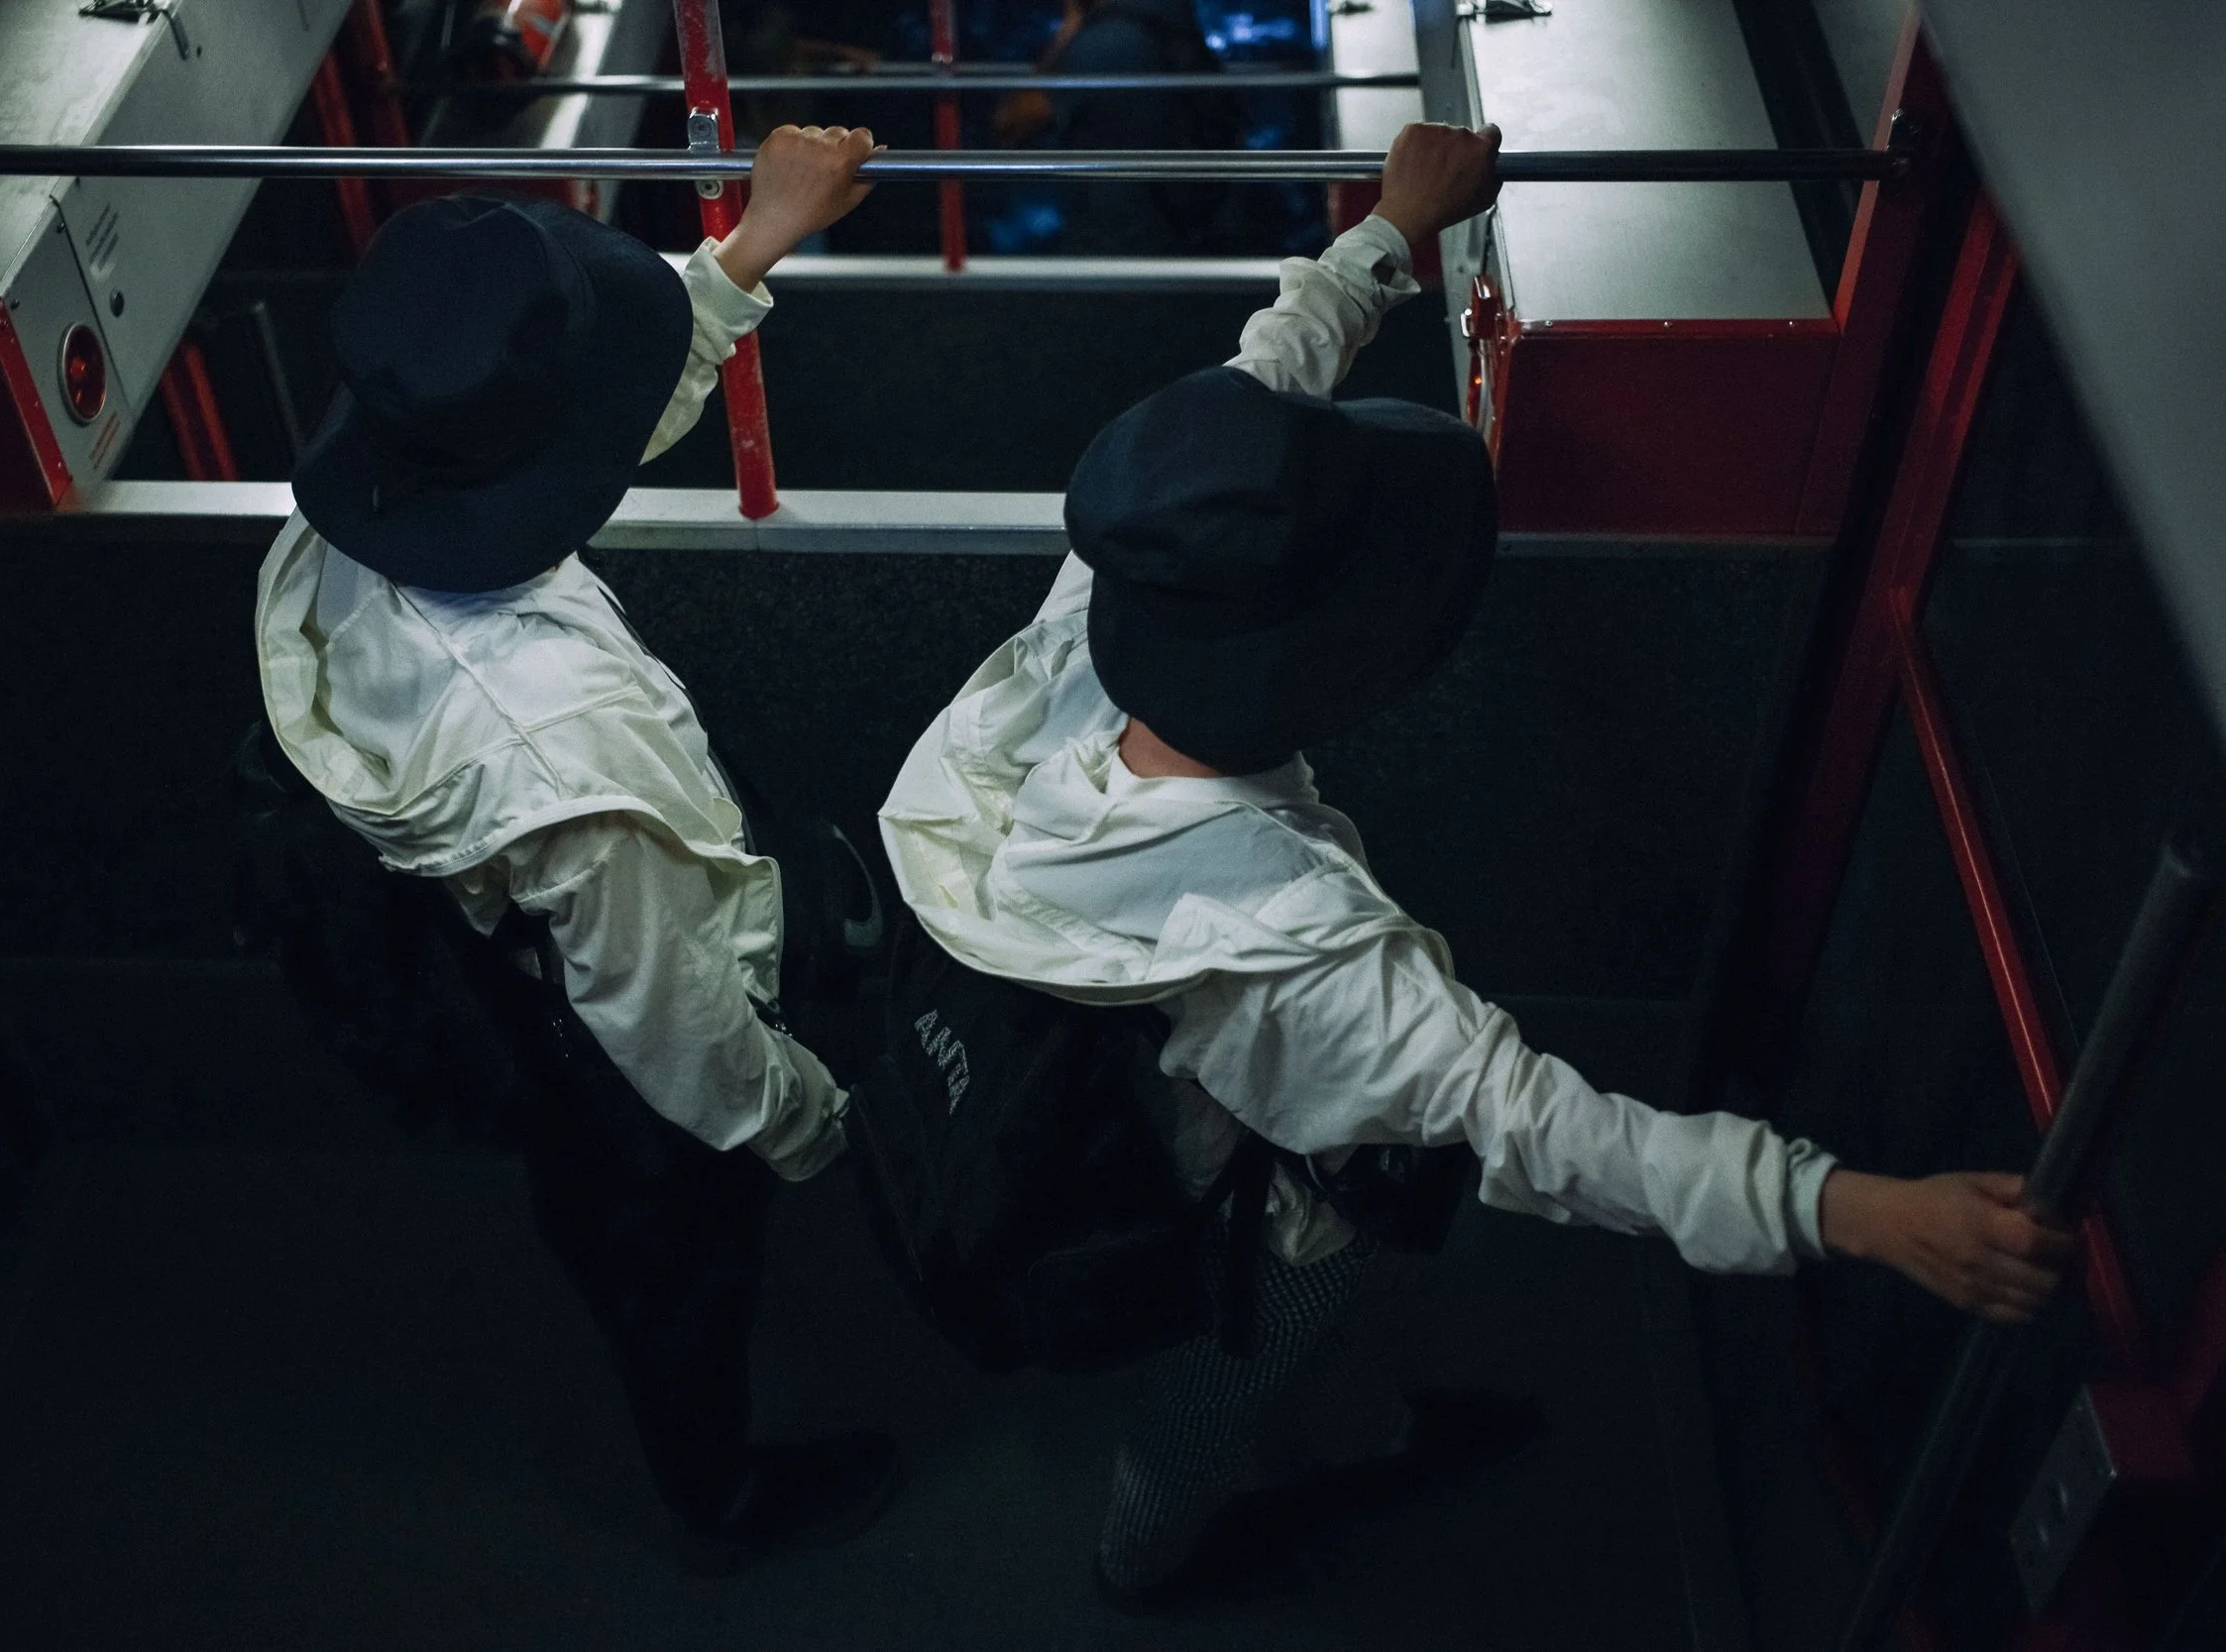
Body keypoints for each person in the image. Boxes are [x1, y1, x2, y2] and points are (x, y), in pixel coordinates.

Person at [875, 121, 2078, 1607]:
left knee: (1325, 1341)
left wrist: (1388, 237)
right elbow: (1548, 1129)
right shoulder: (1303, 943)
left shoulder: (1088, 625)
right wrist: (1854, 1207)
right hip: (1260, 1215)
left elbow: (1252, 399)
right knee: (1226, 1380)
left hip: (1141, 1113)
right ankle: (1145, 1558)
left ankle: (1365, 1431)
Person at [252, 125, 899, 1577]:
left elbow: (565, 424)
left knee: (594, 1200)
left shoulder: (352, 504)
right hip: (611, 1043)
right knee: (670, 1247)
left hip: (478, 953)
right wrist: (809, 1120)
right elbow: (670, 1024)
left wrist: (745, 249)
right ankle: (721, 1496)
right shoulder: (565, 751)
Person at [994, 0, 1237, 254]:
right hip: (1177, 233)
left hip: (1115, 242)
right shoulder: (1170, 26)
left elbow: (1011, 123)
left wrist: (1068, 30)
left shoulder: (1108, 43)